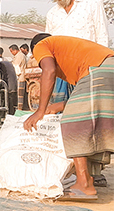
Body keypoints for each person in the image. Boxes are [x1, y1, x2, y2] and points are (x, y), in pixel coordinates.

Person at [24, 33, 114, 201]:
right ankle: (88, 178)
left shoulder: (41, 45)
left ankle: (84, 184)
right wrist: (57, 106)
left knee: (74, 123)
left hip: (98, 69)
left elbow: (48, 70)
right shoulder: (69, 53)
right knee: (97, 125)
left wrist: (40, 111)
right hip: (107, 68)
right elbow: (82, 102)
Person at [9, 44, 26, 110]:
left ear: (15, 50)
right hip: (19, 77)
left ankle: (20, 109)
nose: (11, 53)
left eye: (11, 51)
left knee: (20, 95)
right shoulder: (18, 56)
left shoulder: (19, 56)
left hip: (20, 77)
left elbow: (16, 66)